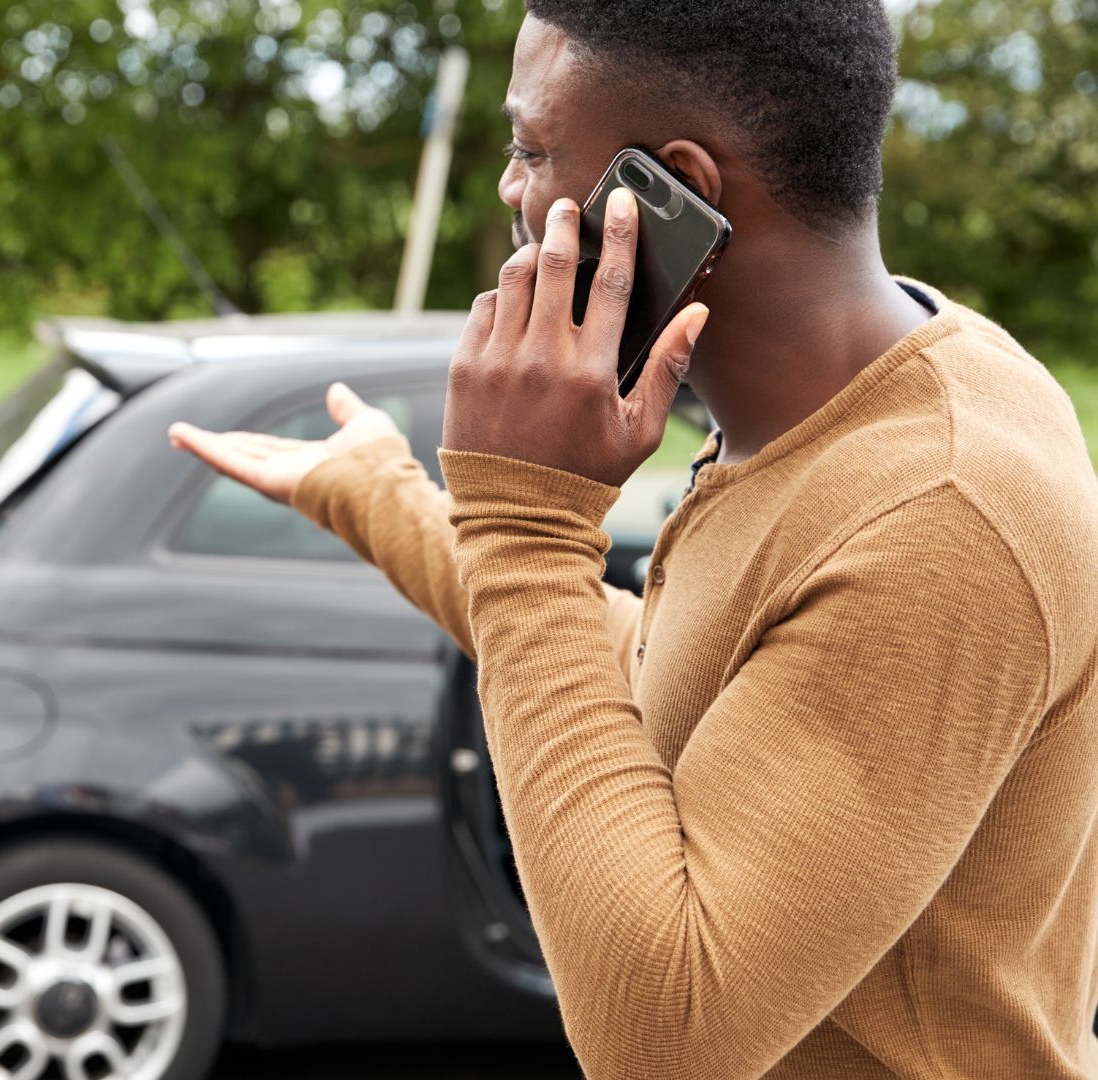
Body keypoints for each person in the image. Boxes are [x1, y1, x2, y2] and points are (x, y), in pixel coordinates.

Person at [169, 3, 1098, 1078]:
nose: (512, 190)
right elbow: (680, 677)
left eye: (529, 148)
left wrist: (527, 523)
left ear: (675, 191)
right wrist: (386, 500)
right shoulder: (885, 396)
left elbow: (664, 1037)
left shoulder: (942, 513)